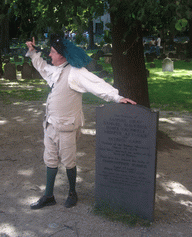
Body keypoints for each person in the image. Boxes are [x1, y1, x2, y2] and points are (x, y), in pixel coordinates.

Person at [26, 34, 137, 210]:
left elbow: (96, 84)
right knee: (50, 160)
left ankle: (72, 192)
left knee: (69, 161)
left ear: (62, 55)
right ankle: (48, 195)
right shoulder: (56, 71)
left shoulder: (76, 73)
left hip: (67, 127)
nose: (50, 55)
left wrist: (117, 97)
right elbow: (42, 68)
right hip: (50, 125)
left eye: (53, 52)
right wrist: (32, 52)